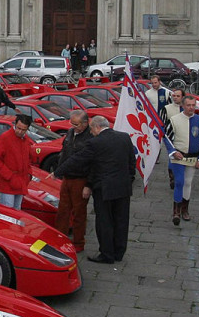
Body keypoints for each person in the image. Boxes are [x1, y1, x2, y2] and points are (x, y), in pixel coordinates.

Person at [53, 115, 136, 263]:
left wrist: (58, 171)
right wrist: (129, 180)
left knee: (104, 221)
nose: (91, 132)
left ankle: (107, 254)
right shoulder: (124, 137)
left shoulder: (95, 143)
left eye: (91, 129)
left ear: (97, 127)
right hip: (123, 188)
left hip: (104, 188)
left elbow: (78, 159)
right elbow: (131, 162)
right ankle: (119, 252)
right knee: (121, 221)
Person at [163, 95, 199, 224]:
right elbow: (167, 138)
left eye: (193, 105)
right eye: (188, 105)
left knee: (188, 182)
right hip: (178, 156)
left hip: (192, 157)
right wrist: (173, 151)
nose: (191, 108)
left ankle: (185, 209)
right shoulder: (174, 120)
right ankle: (176, 211)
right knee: (179, 181)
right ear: (183, 106)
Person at [51, 109, 93, 251]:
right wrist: (58, 169)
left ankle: (78, 243)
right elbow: (64, 152)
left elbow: (93, 163)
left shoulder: (90, 137)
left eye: (76, 124)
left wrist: (89, 184)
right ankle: (60, 239)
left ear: (86, 123)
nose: (73, 126)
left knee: (79, 212)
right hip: (67, 177)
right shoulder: (70, 133)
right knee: (62, 210)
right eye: (72, 123)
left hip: (80, 178)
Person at [0, 113, 32, 211]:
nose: (20, 131)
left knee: (16, 211)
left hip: (20, 182)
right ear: (14, 125)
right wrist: (10, 177)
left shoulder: (26, 140)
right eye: (18, 128)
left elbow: (28, 159)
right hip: (9, 183)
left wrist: (29, 174)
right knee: (8, 213)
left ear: (27, 129)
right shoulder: (5, 138)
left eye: (23, 130)